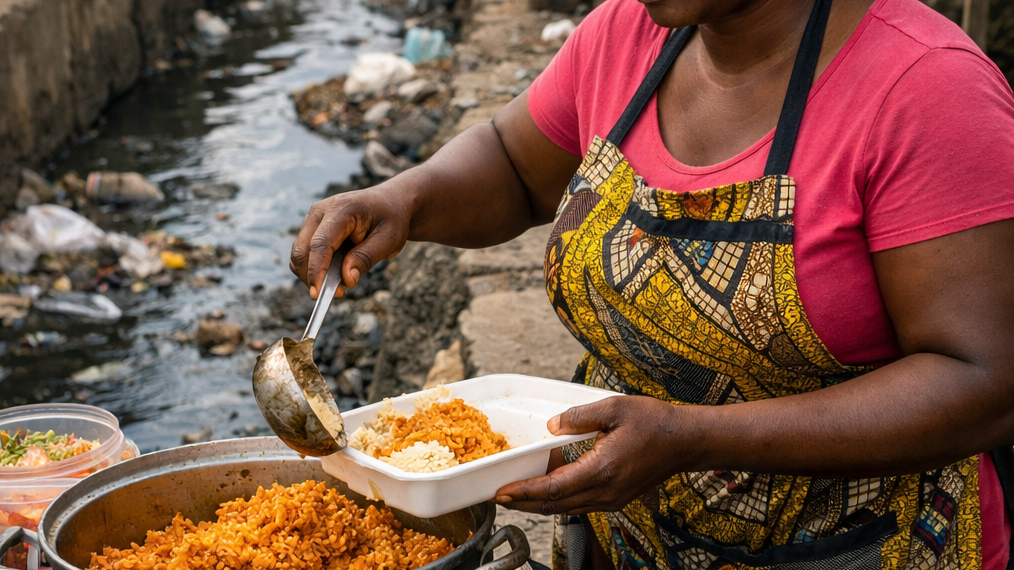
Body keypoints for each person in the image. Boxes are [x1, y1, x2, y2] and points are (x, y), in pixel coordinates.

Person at [290, 0, 1014, 567]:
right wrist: (405, 201)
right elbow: (514, 163)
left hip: (853, 550)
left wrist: (696, 438)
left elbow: (984, 382)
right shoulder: (624, 38)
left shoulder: (926, 88)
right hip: (628, 539)